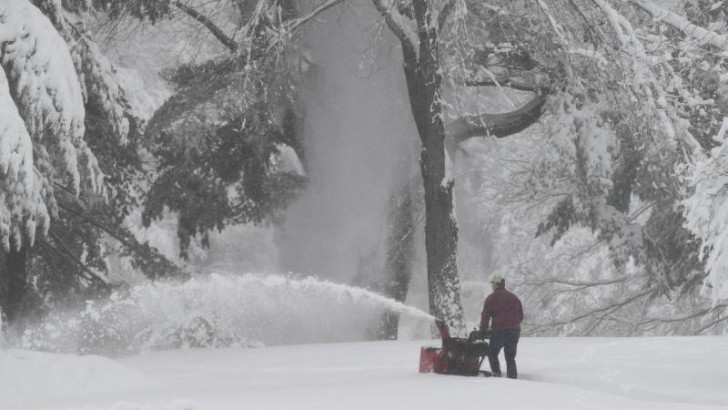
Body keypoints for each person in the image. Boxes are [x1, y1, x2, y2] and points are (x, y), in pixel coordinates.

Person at [480, 273, 524, 379]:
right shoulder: (514, 297)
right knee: (510, 357)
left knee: (492, 352)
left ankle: (497, 375)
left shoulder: (491, 298)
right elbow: (521, 315)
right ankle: (512, 378)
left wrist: (483, 331)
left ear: (496, 284)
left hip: (499, 331)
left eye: (492, 284)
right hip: (514, 331)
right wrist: (513, 324)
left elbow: (485, 317)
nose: (491, 286)